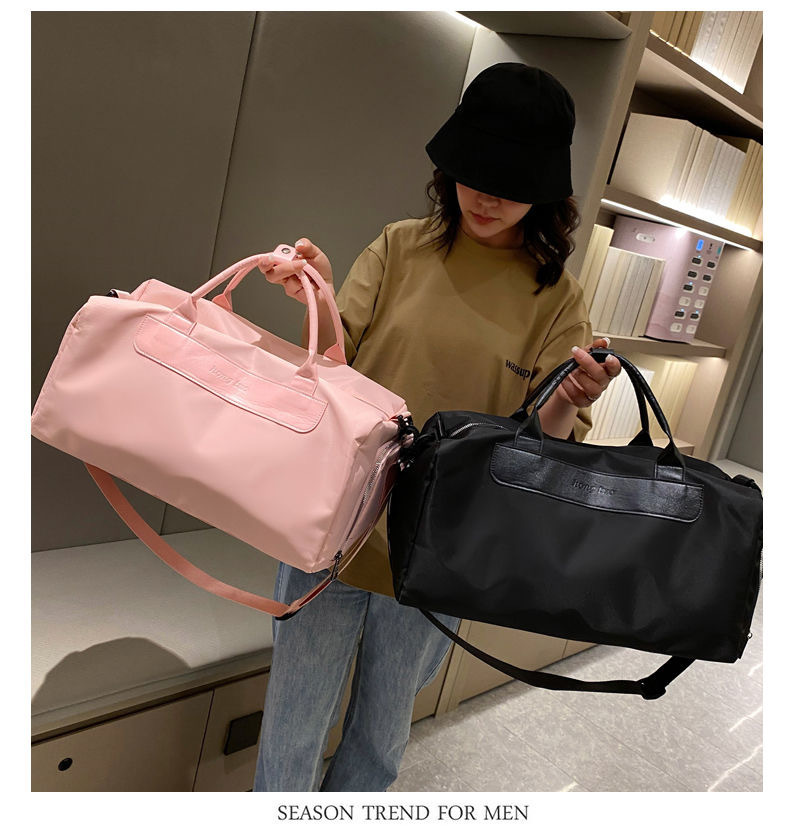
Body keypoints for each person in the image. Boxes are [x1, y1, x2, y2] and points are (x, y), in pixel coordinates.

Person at [252, 62, 621, 792]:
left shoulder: (557, 298)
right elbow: (335, 365)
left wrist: (573, 393)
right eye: (473, 171)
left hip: (445, 546)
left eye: (510, 181)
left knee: (382, 734)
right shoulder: (400, 247)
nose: (486, 195)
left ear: (547, 190)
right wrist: (315, 294)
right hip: (334, 522)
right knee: (293, 725)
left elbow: (544, 439)